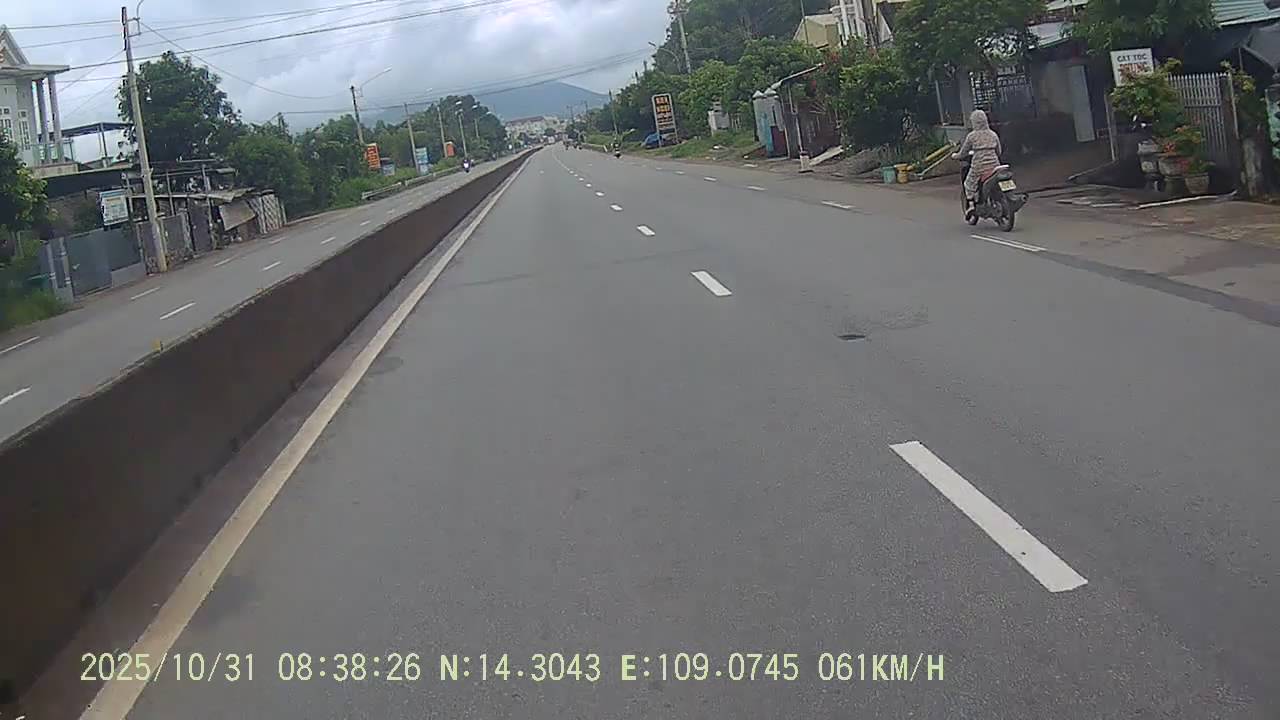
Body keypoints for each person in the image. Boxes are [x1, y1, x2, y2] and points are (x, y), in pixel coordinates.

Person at [952, 109, 1003, 219]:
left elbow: (963, 153)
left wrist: (955, 156)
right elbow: (999, 151)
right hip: (995, 166)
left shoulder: (972, 136)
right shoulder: (993, 134)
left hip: (979, 166)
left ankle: (971, 205)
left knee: (969, 183)